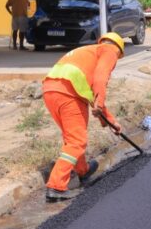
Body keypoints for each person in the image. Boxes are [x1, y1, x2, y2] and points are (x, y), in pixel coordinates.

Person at [41, 33, 124, 201]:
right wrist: (100, 103)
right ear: (119, 50)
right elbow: (100, 78)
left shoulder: (87, 51)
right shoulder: (109, 50)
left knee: (73, 137)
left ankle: (83, 170)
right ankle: (55, 186)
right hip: (68, 94)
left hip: (51, 90)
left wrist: (109, 121)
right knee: (76, 141)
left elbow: (91, 90)